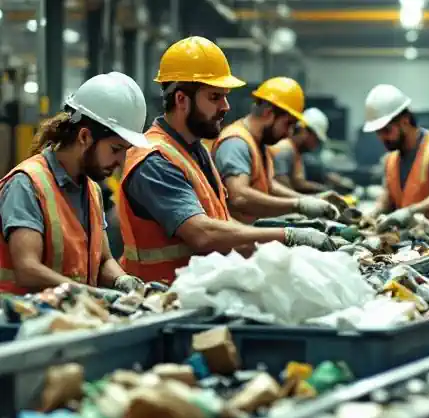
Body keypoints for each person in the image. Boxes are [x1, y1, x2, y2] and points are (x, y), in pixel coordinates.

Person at [118, 37, 334, 284]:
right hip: (160, 299)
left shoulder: (194, 151)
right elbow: (202, 233)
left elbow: (221, 222)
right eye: (214, 97)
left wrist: (285, 256)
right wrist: (287, 236)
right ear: (181, 100)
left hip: (197, 291)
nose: (226, 106)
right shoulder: (155, 159)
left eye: (225, 96)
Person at [0, 72, 150, 294]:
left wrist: (123, 282)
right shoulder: (27, 184)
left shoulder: (92, 190)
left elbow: (103, 260)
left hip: (68, 321)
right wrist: (88, 292)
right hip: (21, 323)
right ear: (84, 137)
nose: (120, 162)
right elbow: (27, 269)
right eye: (115, 149)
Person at [211, 77, 339, 223]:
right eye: (288, 124)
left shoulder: (258, 144)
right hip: (233, 240)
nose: (289, 133)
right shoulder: (236, 142)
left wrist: (310, 199)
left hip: (251, 232)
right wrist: (298, 205)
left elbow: (270, 186)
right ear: (268, 113)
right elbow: (239, 196)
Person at [363, 84, 429, 231]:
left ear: (405, 122)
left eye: (386, 130)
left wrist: (411, 211)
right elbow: (388, 197)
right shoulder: (391, 159)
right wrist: (375, 213)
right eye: (378, 132)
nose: (382, 138)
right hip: (408, 244)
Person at [271, 107, 334, 194]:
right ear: (304, 131)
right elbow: (282, 185)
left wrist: (324, 189)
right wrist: (306, 200)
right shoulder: (284, 149)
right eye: (316, 139)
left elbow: (298, 182)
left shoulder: (296, 151)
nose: (315, 145)